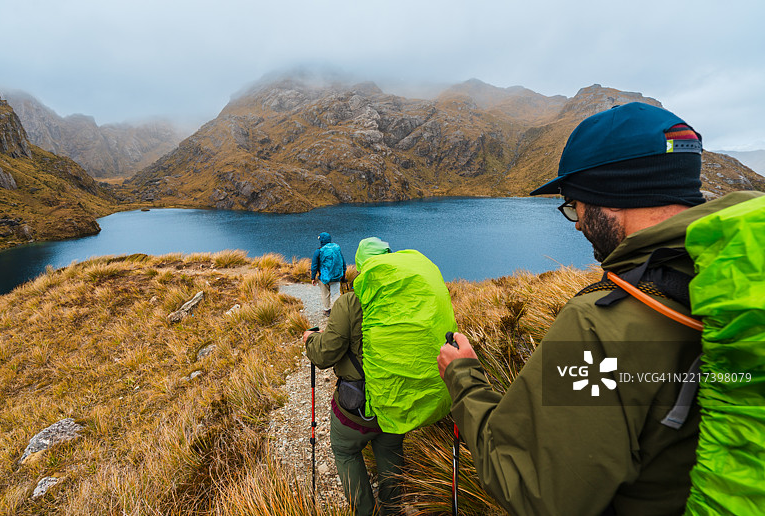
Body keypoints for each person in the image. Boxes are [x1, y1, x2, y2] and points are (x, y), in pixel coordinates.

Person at [436, 102, 763, 516]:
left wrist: (464, 379)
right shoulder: (738, 274)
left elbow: (537, 494)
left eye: (575, 205)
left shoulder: (600, 325)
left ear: (614, 196)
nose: (575, 222)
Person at [303, 237, 404, 516]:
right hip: (396, 401)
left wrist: (311, 340)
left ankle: (365, 511)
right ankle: (393, 508)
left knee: (345, 450)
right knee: (390, 447)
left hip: (355, 408)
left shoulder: (350, 303)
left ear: (360, 268)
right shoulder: (405, 302)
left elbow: (324, 356)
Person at [311, 231, 347, 316]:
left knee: (325, 294)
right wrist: (343, 273)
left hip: (324, 277)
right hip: (336, 276)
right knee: (336, 294)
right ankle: (337, 311)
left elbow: (314, 266)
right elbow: (343, 262)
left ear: (321, 241)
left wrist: (313, 277)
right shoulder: (336, 249)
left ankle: (327, 310)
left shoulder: (319, 251)